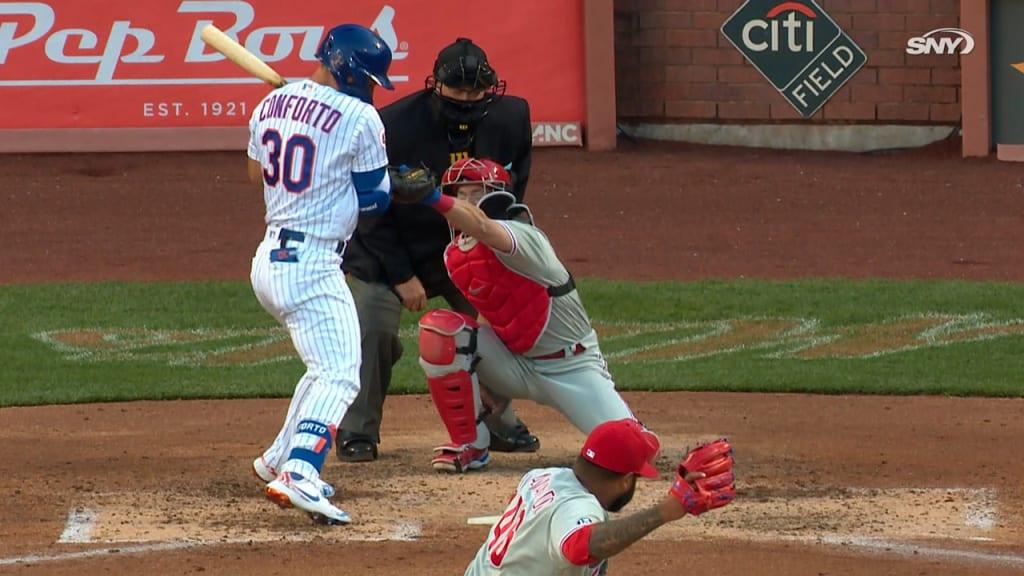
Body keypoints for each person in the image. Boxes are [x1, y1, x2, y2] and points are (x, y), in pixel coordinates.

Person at [336, 37, 536, 463]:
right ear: (437, 86)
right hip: (389, 248)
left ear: (489, 89)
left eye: (474, 91)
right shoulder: (392, 124)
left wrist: (499, 259)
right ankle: (358, 431)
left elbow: (510, 196)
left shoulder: (513, 118)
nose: (466, 99)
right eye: (457, 91)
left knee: (501, 322)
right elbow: (371, 208)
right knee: (374, 330)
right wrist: (401, 276)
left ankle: (499, 423)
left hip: (466, 250)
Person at [246, 23, 396, 525]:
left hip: (269, 259)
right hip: (311, 265)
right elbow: (374, 200)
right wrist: (398, 187)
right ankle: (300, 472)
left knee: (322, 366)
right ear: (349, 70)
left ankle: (276, 458)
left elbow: (255, 175)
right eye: (371, 79)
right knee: (338, 374)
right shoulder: (360, 117)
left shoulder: (270, 105)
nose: (373, 88)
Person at [407, 157, 644, 473]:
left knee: (633, 454)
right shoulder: (457, 254)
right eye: (460, 195)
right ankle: (472, 445)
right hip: (517, 364)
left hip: (570, 366)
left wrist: (432, 197)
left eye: (475, 194)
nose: (465, 203)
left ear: (498, 195)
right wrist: (481, 376)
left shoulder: (522, 236)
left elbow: (482, 225)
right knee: (443, 331)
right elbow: (492, 311)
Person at [463, 419, 736, 575]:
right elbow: (579, 546)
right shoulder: (579, 507)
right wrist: (666, 511)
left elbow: (522, 504)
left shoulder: (541, 476)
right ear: (626, 480)